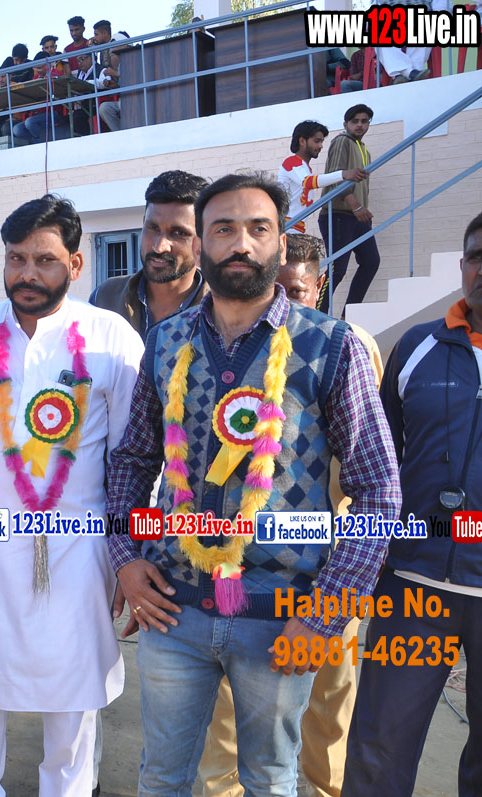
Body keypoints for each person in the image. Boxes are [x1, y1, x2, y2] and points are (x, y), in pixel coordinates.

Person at [106, 171, 400, 796]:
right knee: (160, 778)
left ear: (280, 242)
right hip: (175, 611)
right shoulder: (166, 341)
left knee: (270, 780)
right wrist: (126, 561)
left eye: (257, 228)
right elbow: (131, 460)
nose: (240, 242)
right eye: (223, 229)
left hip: (284, 617)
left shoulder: (330, 346)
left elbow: (379, 491)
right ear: (201, 244)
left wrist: (327, 613)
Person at [0, 195, 143, 796]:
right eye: (16, 258)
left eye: (45, 260)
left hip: (81, 553)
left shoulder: (110, 338)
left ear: (76, 264)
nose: (27, 273)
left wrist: (129, 557)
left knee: (73, 706)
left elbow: (134, 460)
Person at [198, 231, 384, 797]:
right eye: (273, 287)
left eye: (295, 291)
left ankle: (324, 789)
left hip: (332, 558)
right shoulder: (230, 348)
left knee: (329, 699)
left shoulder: (349, 347)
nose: (279, 301)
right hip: (241, 562)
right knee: (227, 708)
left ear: (319, 286)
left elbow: (372, 466)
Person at [343, 210, 482, 797]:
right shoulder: (416, 347)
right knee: (379, 747)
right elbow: (378, 467)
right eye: (477, 256)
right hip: (414, 585)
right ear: (463, 266)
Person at [91, 170, 210, 341]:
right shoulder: (105, 298)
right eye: (153, 228)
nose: (159, 247)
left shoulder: (220, 311)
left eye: (178, 233)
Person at [318, 104, 379, 313]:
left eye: (364, 121)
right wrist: (356, 206)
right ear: (345, 124)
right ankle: (316, 312)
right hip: (338, 214)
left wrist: (360, 209)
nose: (360, 125)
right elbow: (337, 175)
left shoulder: (364, 149)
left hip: (358, 216)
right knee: (337, 269)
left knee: (371, 262)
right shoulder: (342, 141)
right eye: (355, 121)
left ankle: (349, 313)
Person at [278, 120, 366, 234]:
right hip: (286, 227)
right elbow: (309, 182)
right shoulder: (292, 162)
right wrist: (343, 174)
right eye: (317, 141)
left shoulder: (304, 167)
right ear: (302, 141)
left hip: (294, 228)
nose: (320, 146)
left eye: (322, 141)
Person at [13, 53, 71, 145]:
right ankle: (39, 142)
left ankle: (42, 143)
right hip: (39, 114)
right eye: (36, 68)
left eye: (39, 68)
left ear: (48, 65)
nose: (37, 71)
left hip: (55, 113)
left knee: (29, 123)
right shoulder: (35, 77)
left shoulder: (57, 74)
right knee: (17, 129)